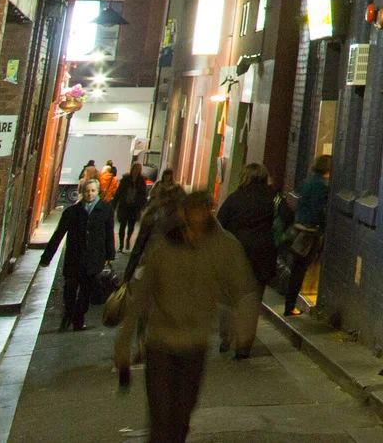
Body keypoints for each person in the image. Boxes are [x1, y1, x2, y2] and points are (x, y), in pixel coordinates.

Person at [114, 186, 260, 443]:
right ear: (184, 213)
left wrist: (244, 327)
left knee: (181, 418)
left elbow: (244, 289)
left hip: (194, 344)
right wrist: (124, 343)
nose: (199, 216)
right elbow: (143, 295)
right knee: (161, 418)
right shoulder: (165, 247)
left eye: (204, 209)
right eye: (194, 210)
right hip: (161, 343)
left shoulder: (224, 246)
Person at [43, 175, 118, 330]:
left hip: (93, 258)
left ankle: (78, 319)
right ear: (82, 192)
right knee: (69, 290)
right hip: (74, 257)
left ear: (98, 192)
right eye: (87, 191)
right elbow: (58, 234)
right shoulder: (72, 212)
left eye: (93, 191)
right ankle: (68, 315)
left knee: (86, 292)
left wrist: (110, 255)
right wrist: (47, 257)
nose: (90, 194)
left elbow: (108, 233)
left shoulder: (105, 210)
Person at [216, 163, 282, 326]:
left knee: (231, 297)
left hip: (236, 253)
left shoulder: (234, 199)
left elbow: (219, 223)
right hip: (263, 254)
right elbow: (287, 218)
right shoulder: (273, 198)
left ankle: (227, 333)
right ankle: (243, 347)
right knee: (253, 302)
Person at [283, 155, 331, 315]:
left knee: (296, 267)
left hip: (300, 229)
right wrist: (321, 229)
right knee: (300, 269)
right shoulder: (320, 186)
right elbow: (318, 210)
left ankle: (289, 304)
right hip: (309, 233)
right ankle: (290, 306)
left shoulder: (308, 182)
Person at [116, 160, 151, 245]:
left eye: (139, 169)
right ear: (132, 169)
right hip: (125, 205)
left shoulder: (141, 180)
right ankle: (121, 243)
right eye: (136, 168)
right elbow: (119, 191)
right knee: (122, 226)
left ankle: (128, 239)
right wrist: (115, 203)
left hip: (134, 207)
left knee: (131, 226)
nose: (137, 170)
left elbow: (143, 194)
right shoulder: (125, 179)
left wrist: (142, 205)